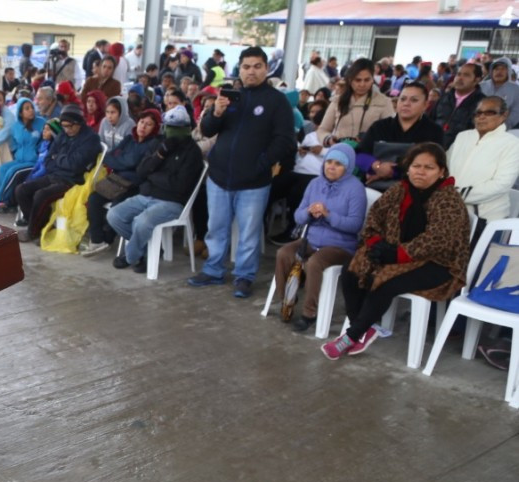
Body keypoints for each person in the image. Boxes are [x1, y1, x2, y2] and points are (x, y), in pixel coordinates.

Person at [323, 142, 470, 359]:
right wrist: (375, 244)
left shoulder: (448, 199)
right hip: (397, 253)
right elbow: (375, 216)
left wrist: (396, 254)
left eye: (428, 167)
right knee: (352, 269)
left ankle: (351, 336)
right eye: (415, 166)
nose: (420, 171)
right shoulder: (400, 189)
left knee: (384, 282)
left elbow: (438, 240)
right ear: (408, 168)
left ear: (441, 172)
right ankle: (363, 328)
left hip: (438, 263)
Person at [188, 46, 295, 299]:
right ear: (240, 69)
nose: (251, 72)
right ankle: (213, 270)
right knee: (216, 228)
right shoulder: (230, 96)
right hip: (219, 176)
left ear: (266, 69)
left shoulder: (276, 101)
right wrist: (216, 111)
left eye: (257, 66)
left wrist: (261, 163)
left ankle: (244, 276)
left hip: (254, 182)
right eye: (246, 67)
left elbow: (285, 140)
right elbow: (207, 130)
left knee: (248, 232)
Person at [273, 144, 367, 332]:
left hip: (340, 246)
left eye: (338, 164)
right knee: (284, 253)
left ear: (347, 167)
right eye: (329, 162)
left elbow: (355, 225)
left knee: (314, 263)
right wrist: (308, 213)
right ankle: (286, 299)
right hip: (311, 239)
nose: (331, 167)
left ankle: (310, 313)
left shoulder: (355, 188)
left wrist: (328, 215)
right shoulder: (315, 183)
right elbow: (298, 216)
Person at [106, 105, 204, 272]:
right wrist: (160, 155)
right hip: (146, 195)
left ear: (187, 129)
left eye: (177, 129)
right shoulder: (159, 143)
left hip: (172, 202)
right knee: (114, 215)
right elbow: (142, 171)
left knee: (141, 222)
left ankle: (131, 256)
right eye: (170, 128)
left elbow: (180, 186)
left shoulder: (192, 152)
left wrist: (153, 176)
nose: (172, 132)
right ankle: (147, 250)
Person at [80, 108, 164, 255]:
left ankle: (108, 239)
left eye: (149, 124)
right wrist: (124, 162)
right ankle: (97, 240)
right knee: (94, 199)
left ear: (155, 128)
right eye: (142, 122)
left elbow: (134, 163)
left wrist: (122, 161)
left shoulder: (153, 144)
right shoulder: (129, 139)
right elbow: (109, 157)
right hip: (116, 180)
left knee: (117, 206)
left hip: (134, 185)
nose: (143, 127)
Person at [13, 103, 100, 243]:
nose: (67, 129)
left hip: (72, 181)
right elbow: (48, 160)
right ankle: (40, 226)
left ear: (79, 123)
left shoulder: (90, 139)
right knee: (21, 190)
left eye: (70, 126)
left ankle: (32, 231)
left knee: (41, 195)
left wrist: (58, 159)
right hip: (55, 175)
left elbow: (75, 166)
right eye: (64, 126)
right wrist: (61, 161)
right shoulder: (63, 135)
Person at [354, 82, 444, 187]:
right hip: (374, 186)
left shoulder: (434, 131)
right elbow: (359, 155)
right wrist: (376, 166)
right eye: (403, 99)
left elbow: (433, 165)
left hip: (415, 189)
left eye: (414, 100)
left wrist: (391, 172)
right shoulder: (380, 126)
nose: (406, 103)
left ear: (425, 105)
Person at [447, 96, 519, 225]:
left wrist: (457, 195)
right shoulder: (463, 137)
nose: (482, 117)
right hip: (449, 209)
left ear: (504, 115)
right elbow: (445, 167)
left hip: (486, 216)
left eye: (490, 112)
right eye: (478, 113)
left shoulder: (512, 144)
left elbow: (501, 184)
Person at [316, 58, 394, 147]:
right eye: (358, 80)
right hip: (339, 153)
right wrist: (328, 139)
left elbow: (390, 133)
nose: (362, 84)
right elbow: (323, 129)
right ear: (350, 80)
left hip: (368, 156)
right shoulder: (337, 101)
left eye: (367, 80)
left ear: (373, 79)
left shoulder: (384, 102)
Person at [0, 97, 44, 212]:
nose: (31, 110)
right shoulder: (15, 126)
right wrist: (17, 152)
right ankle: (8, 201)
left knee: (13, 171)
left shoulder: (41, 123)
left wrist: (37, 151)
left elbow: (45, 141)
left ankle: (0, 200)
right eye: (27, 109)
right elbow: (13, 143)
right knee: (2, 169)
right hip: (20, 159)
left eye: (31, 108)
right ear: (20, 113)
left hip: (34, 161)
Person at [433, 63, 485, 148]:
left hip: (462, 150)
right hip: (435, 147)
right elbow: (432, 119)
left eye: (466, 75)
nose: (460, 78)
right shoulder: (444, 97)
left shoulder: (482, 103)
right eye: (458, 74)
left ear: (477, 80)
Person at [478, 58, 519, 129]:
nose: (499, 72)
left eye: (503, 69)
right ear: (491, 71)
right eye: (496, 69)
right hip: (479, 125)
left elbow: (516, 112)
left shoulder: (516, 89)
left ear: (508, 71)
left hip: (503, 128)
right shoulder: (480, 86)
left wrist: (504, 126)